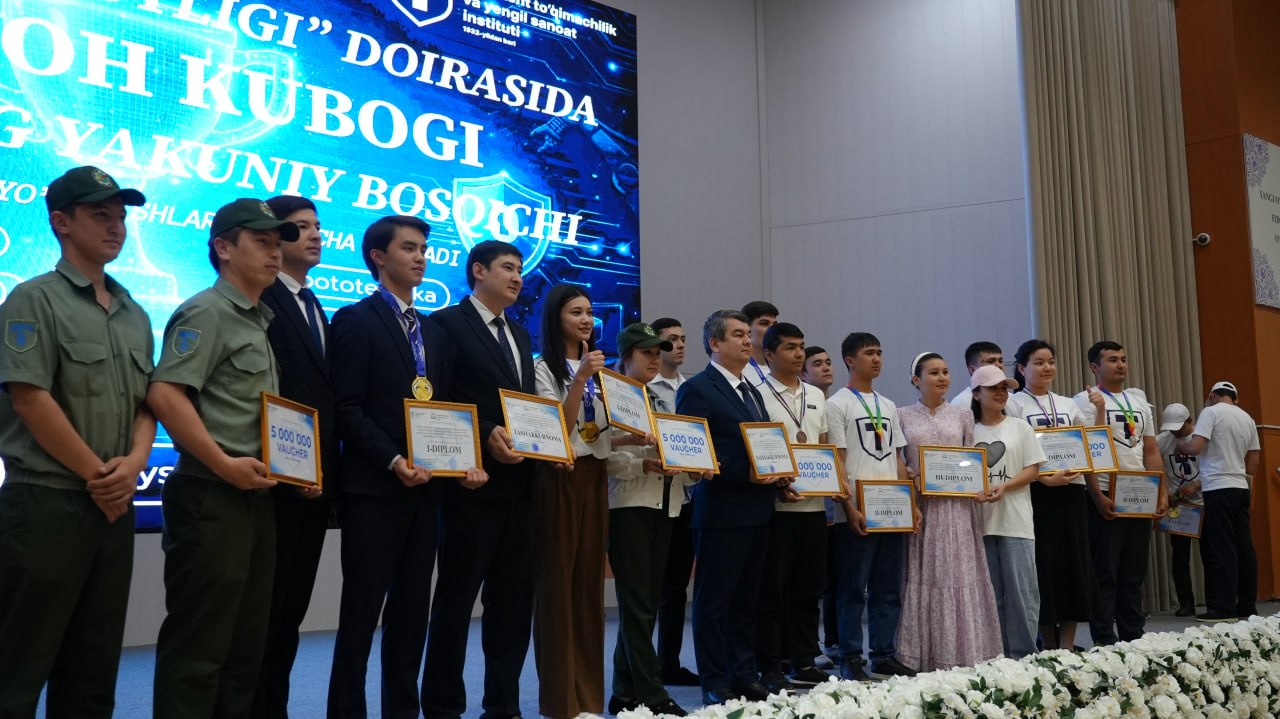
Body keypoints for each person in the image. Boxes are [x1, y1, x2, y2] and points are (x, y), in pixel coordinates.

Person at [0, 166, 154, 718]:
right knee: (18, 666)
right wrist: (100, 476)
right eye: (100, 215)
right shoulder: (31, 300)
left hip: (113, 508)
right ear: (62, 223)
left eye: (121, 217)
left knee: (94, 666)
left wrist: (134, 464)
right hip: (47, 503)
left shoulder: (136, 314)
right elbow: (29, 399)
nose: (116, 228)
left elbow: (147, 405)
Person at [147, 198, 300, 717]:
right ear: (223, 247)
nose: (275, 253)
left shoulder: (258, 318)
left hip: (254, 493)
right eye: (262, 242)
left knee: (244, 647)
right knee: (201, 646)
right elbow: (166, 394)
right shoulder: (206, 312)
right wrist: (222, 463)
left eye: (278, 243)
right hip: (211, 493)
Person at [327, 216, 477, 719]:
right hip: (374, 489)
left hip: (426, 492)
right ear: (378, 257)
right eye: (409, 248)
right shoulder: (354, 319)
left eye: (423, 250)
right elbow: (347, 408)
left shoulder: (433, 331)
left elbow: (446, 409)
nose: (420, 257)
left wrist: (463, 462)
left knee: (412, 617)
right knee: (360, 616)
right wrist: (392, 460)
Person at [422, 241, 537, 719]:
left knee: (513, 605)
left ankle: (503, 705)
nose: (517, 277)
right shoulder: (445, 324)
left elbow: (524, 407)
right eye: (507, 268)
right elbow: (437, 398)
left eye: (520, 269)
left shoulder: (521, 334)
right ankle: (443, 706)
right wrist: (485, 432)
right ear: (478, 271)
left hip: (521, 488)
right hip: (470, 485)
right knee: (455, 602)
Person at [253, 195, 335, 719]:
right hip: (274, 481)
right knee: (266, 614)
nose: (315, 235)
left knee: (289, 615)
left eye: (317, 226)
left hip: (314, 483)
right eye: (300, 227)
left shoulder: (313, 302)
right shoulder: (262, 299)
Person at [676, 310, 781, 705]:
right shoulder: (697, 389)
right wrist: (745, 473)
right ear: (715, 343)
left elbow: (762, 445)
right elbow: (696, 450)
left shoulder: (751, 390)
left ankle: (744, 673)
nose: (747, 341)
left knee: (746, 601)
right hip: (721, 511)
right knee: (714, 601)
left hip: (758, 509)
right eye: (737, 335)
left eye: (747, 334)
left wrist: (779, 474)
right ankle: (715, 678)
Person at [531, 285, 609, 719]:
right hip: (559, 476)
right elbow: (557, 427)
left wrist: (638, 436)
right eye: (576, 312)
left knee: (588, 588)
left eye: (590, 312)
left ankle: (588, 697)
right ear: (556, 318)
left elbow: (600, 433)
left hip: (595, 474)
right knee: (558, 587)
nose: (586, 319)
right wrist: (579, 379)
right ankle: (560, 700)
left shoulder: (601, 370)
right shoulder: (543, 368)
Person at [605, 323, 690, 718]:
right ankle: (652, 695)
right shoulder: (608, 395)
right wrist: (643, 464)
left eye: (658, 353)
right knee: (638, 604)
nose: (655, 360)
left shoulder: (656, 399)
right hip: (630, 506)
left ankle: (623, 692)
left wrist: (694, 468)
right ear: (626, 356)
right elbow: (601, 454)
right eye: (647, 353)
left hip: (666, 504)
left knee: (647, 602)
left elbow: (674, 448)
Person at [897, 353, 1001, 672]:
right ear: (916, 380)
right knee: (928, 575)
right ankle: (924, 653)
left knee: (959, 573)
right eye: (933, 373)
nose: (942, 377)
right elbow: (900, 460)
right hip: (923, 506)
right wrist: (913, 477)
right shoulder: (901, 415)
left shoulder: (962, 415)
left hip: (958, 508)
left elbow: (971, 459)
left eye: (945, 371)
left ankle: (965, 649)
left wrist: (978, 484)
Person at [824, 332, 916, 681]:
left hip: (891, 506)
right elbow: (838, 459)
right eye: (868, 353)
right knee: (852, 588)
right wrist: (849, 508)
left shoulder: (887, 405)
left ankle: (883, 654)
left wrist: (911, 503)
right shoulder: (837, 404)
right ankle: (850, 656)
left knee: (888, 587)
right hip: (857, 507)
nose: (876, 359)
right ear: (850, 360)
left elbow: (897, 458)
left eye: (879, 353)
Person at [751, 323, 832, 690]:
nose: (799, 353)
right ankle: (770, 666)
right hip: (777, 508)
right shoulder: (757, 394)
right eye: (789, 347)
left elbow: (822, 443)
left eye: (801, 346)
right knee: (771, 592)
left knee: (809, 590)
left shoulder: (815, 394)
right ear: (769, 354)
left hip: (814, 506)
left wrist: (831, 484)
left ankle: (804, 660)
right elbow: (758, 448)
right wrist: (779, 484)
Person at [1072, 341, 1166, 645]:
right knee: (1105, 571)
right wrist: (1096, 495)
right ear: (1094, 367)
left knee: (1133, 571)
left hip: (1139, 493)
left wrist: (1161, 492)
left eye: (1123, 359)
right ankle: (1103, 636)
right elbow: (1087, 451)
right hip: (1104, 490)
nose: (1121, 365)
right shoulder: (1083, 402)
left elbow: (1150, 450)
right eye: (1112, 360)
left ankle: (1133, 635)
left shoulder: (1139, 402)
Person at [1007, 340, 1097, 649]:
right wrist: (1045, 479)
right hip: (1037, 493)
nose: (1047, 368)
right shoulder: (1015, 404)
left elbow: (1091, 443)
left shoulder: (1068, 404)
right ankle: (1047, 641)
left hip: (1072, 491)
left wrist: (1099, 410)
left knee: (1073, 564)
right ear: (1022, 368)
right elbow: (1014, 451)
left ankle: (1068, 645)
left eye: (1051, 362)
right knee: (1044, 566)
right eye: (1038, 362)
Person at [971, 365, 1060, 660]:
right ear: (976, 394)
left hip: (1016, 521)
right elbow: (959, 469)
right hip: (980, 524)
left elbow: (1033, 469)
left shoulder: (1020, 427)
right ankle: (996, 654)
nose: (1000, 393)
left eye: (1004, 388)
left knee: (1023, 594)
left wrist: (1005, 486)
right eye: (992, 388)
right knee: (990, 596)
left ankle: (1024, 655)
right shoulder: (967, 430)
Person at [1176, 381, 1260, 623]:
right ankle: (1247, 605)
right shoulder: (1247, 418)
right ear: (1235, 398)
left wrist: (1182, 446)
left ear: (1213, 395)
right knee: (1244, 546)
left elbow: (1196, 447)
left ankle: (1224, 607)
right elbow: (1253, 463)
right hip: (1241, 487)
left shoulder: (1210, 412)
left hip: (1217, 486)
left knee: (1222, 547)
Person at [648, 317, 700, 687]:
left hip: (686, 493)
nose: (679, 346)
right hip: (651, 491)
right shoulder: (642, 387)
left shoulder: (691, 388)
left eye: (682, 339)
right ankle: (642, 665)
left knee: (677, 586)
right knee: (649, 586)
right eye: (670, 340)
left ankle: (669, 662)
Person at [1155, 403, 1201, 617]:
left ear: (1189, 421)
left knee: (1211, 554)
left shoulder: (1202, 436)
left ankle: (1215, 601)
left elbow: (1215, 465)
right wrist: (1165, 494)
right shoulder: (1161, 440)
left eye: (1179, 428)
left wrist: (1196, 486)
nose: (1175, 432)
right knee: (1180, 557)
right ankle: (1186, 602)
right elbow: (1157, 468)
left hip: (1203, 503)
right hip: (1178, 506)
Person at [949, 341, 1003, 408]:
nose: (999, 365)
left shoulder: (1010, 398)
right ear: (972, 370)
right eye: (990, 361)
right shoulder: (961, 403)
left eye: (1000, 361)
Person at [740, 300, 778, 376]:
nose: (772, 329)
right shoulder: (738, 369)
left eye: (775, 324)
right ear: (747, 329)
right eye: (764, 323)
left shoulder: (782, 367)